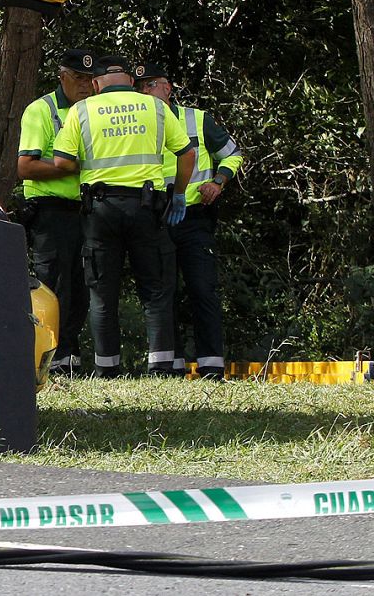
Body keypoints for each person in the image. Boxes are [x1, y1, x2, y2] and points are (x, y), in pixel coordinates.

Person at [44, 54, 195, 377]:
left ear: (97, 84)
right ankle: (161, 366)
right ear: (129, 81)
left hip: (99, 210)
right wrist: (179, 192)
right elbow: (186, 153)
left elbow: (60, 162)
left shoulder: (82, 110)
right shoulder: (155, 108)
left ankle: (107, 367)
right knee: (155, 288)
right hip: (146, 207)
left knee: (102, 291)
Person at [135, 62, 245, 380]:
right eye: (139, 87)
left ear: (167, 88)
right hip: (157, 216)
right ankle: (171, 366)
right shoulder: (140, 124)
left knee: (202, 288)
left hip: (195, 216)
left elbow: (233, 153)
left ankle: (211, 366)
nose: (144, 92)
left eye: (149, 85)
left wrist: (219, 182)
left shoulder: (197, 119)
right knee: (162, 290)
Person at [16, 47, 98, 376]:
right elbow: (26, 166)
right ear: (62, 76)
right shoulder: (42, 111)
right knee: (50, 283)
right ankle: (41, 353)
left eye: (91, 80)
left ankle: (69, 353)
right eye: (78, 78)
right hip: (52, 210)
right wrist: (72, 168)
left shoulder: (95, 111)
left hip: (87, 209)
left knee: (80, 285)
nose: (85, 86)